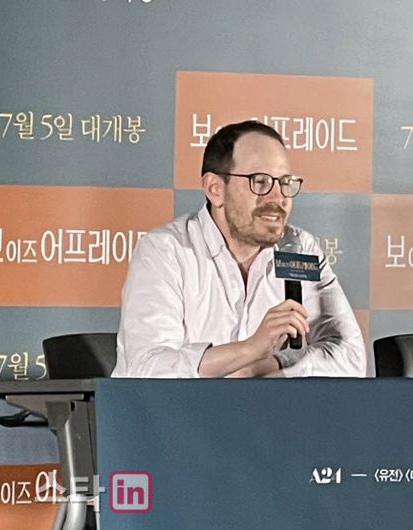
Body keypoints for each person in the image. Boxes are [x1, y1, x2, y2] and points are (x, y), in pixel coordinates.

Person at [113, 120, 366, 378]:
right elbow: (148, 368)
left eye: (285, 182)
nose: (278, 198)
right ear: (215, 189)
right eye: (260, 182)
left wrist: (265, 366)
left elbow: (350, 357)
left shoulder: (300, 248)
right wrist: (250, 349)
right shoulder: (166, 251)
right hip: (176, 406)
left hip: (265, 404)